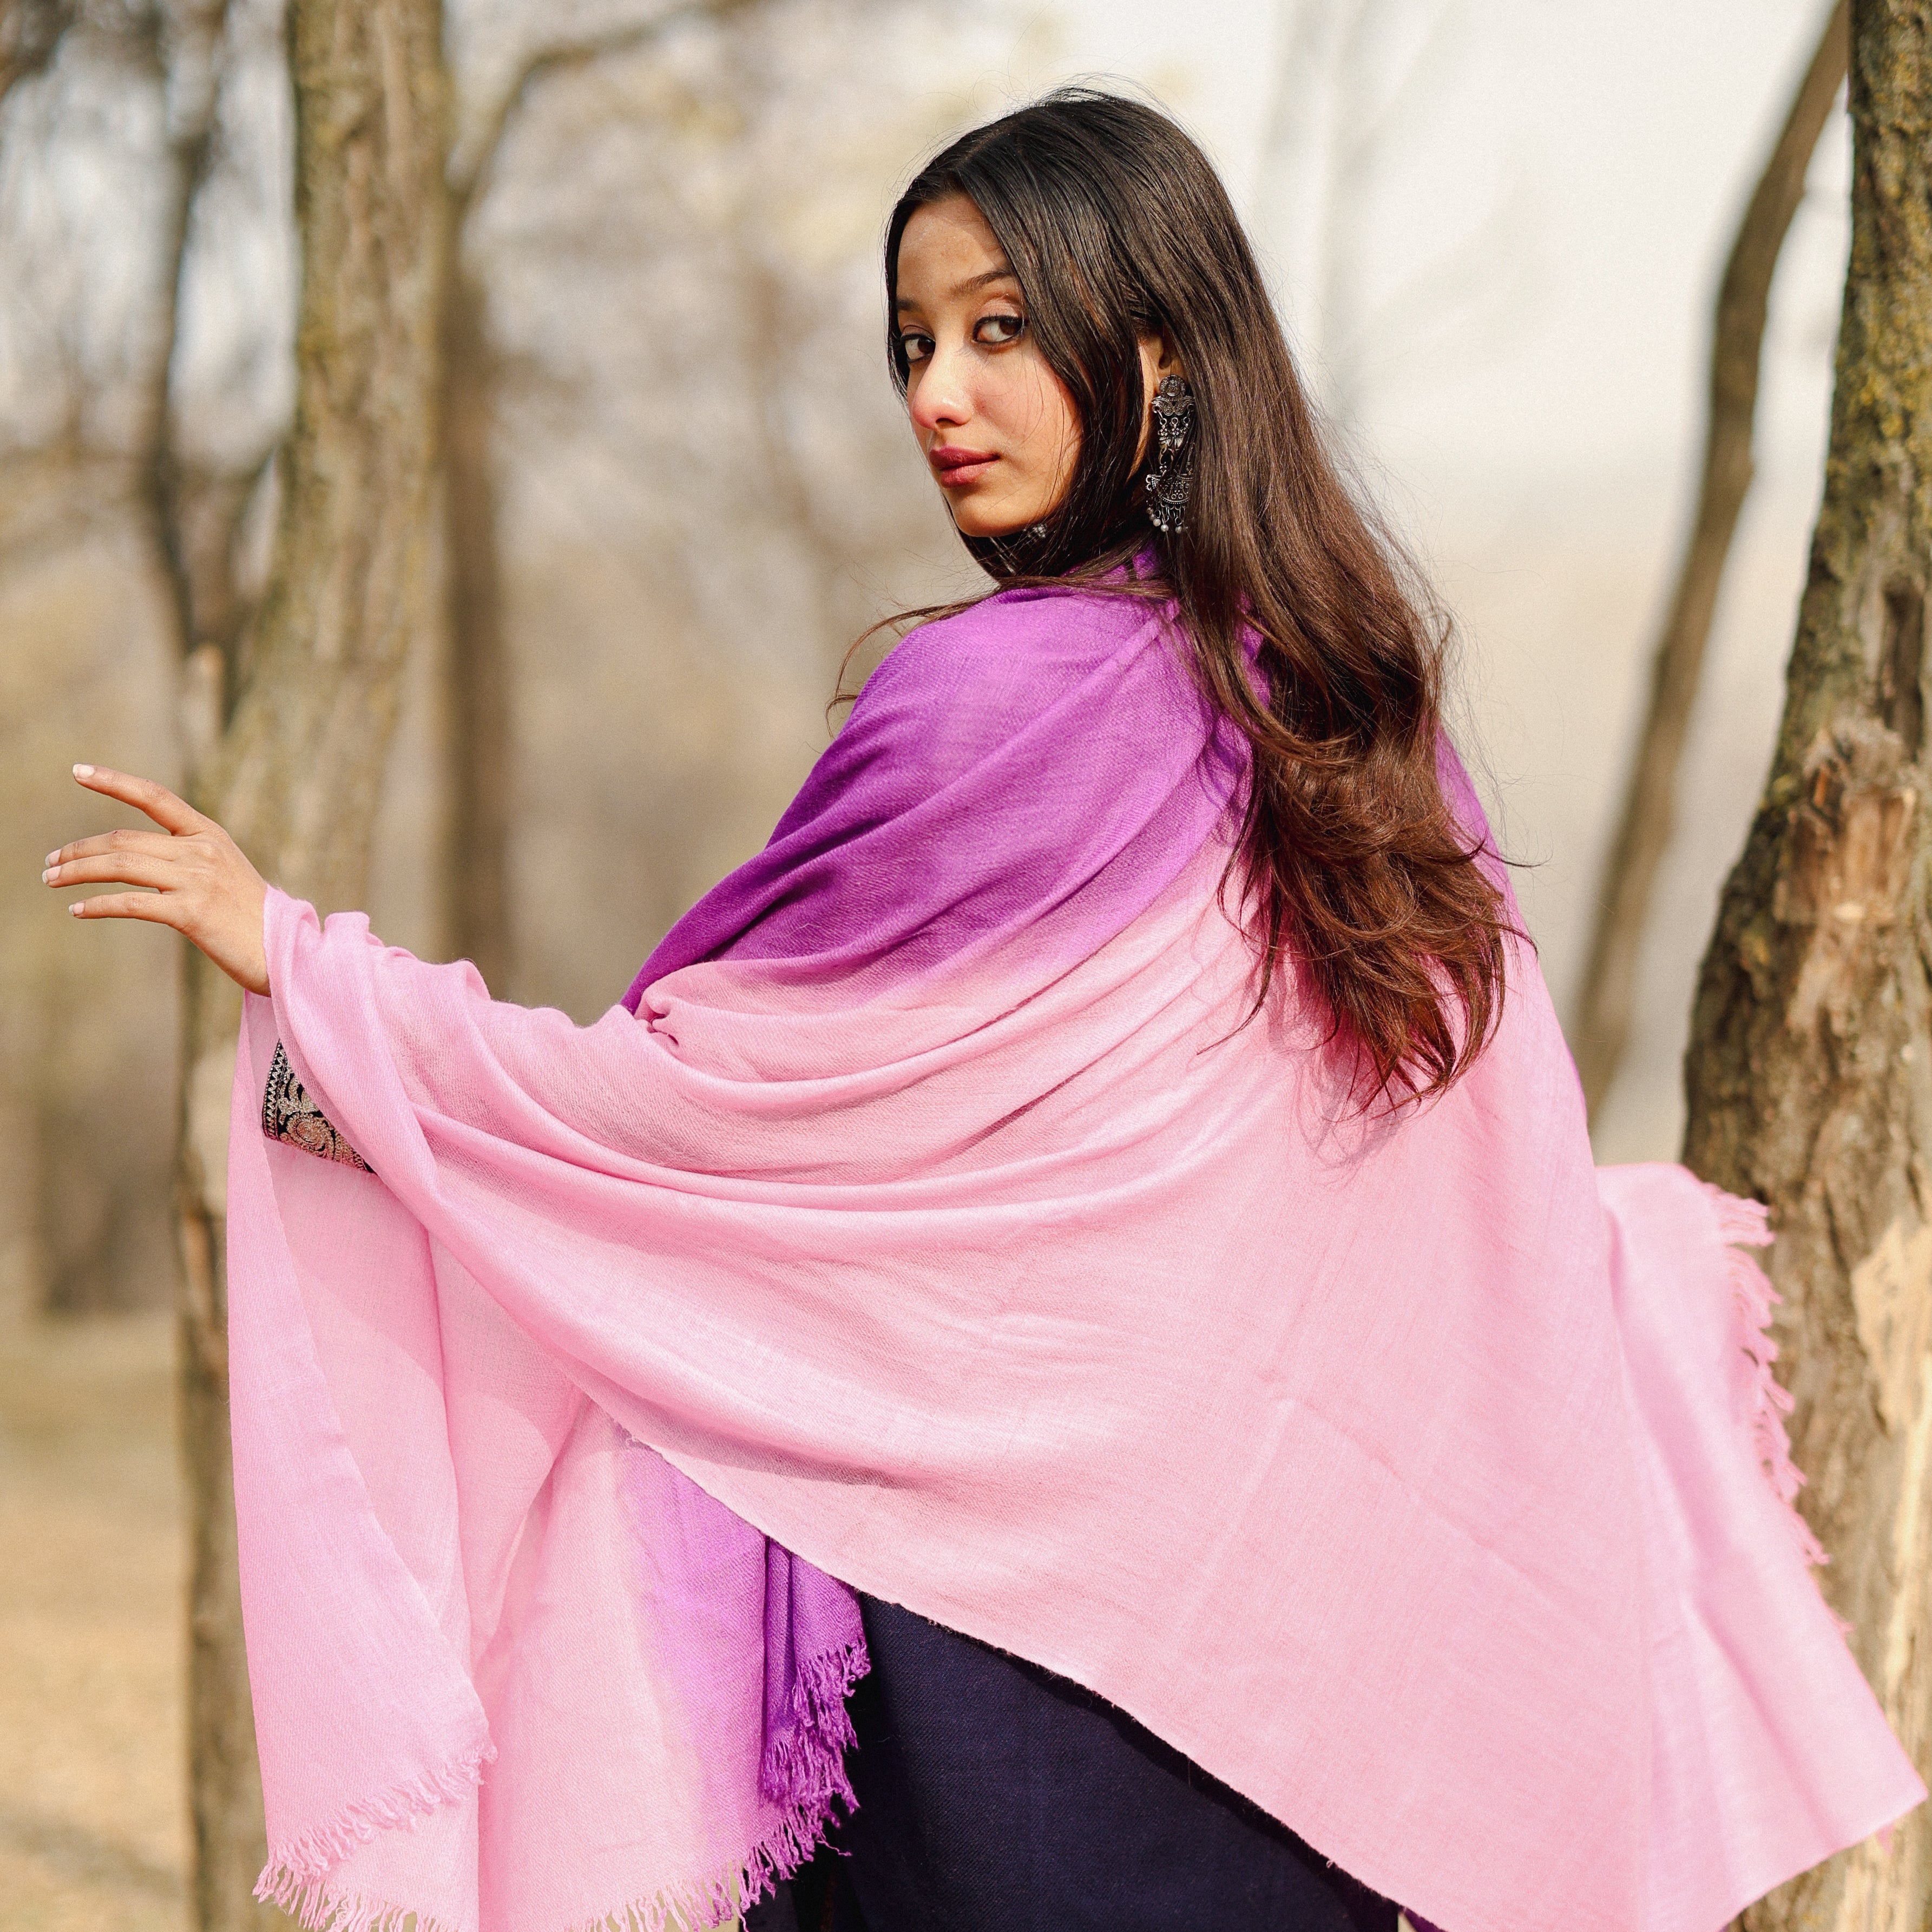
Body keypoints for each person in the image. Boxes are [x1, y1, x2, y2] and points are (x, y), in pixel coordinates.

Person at [43, 89, 1921, 1932]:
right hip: (1307, 1721)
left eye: (1002, 332)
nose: (938, 393)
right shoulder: (1352, 724)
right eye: (915, 341)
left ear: (1161, 354)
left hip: (1004, 1685)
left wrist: (315, 985)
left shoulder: (1009, 710)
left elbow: (684, 1130)